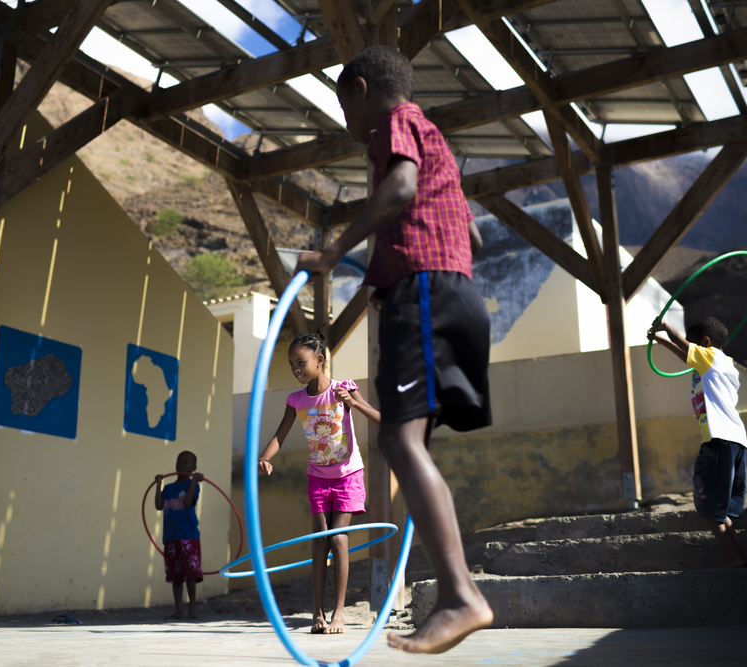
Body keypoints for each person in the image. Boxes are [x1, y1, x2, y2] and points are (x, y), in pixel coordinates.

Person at [293, 46, 493, 654]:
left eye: (342, 107)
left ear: (358, 89)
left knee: (397, 442)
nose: (348, 125)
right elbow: (474, 235)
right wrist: (390, 275)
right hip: (452, 294)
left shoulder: (395, 123)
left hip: (427, 294)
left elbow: (403, 187)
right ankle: (457, 594)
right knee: (411, 448)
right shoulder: (438, 148)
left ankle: (461, 596)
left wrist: (336, 255)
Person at [259, 330, 380, 635]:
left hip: (348, 476)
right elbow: (279, 436)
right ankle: (318, 613)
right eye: (292, 365)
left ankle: (339, 613)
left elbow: (380, 418)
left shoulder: (344, 388)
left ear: (320, 360)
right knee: (319, 542)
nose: (296, 369)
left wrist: (352, 402)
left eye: (301, 362)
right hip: (318, 478)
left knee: (339, 539)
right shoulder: (296, 400)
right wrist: (265, 457)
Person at [648, 316, 747, 569]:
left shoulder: (712, 358)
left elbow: (685, 348)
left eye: (692, 342)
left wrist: (666, 329)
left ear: (705, 343)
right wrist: (661, 341)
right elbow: (685, 355)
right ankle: (741, 555)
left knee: (708, 505)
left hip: (718, 440)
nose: (688, 347)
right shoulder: (721, 364)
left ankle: (730, 557)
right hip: (736, 440)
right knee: (721, 509)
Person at [154, 450, 204, 619]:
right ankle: (179, 610)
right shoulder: (168, 488)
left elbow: (187, 502)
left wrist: (194, 480)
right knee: (175, 576)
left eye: (186, 462)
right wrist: (158, 484)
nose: (181, 464)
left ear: (193, 467)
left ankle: (193, 609)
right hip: (170, 538)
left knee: (190, 574)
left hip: (188, 536)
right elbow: (159, 506)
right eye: (179, 461)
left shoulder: (193, 486)